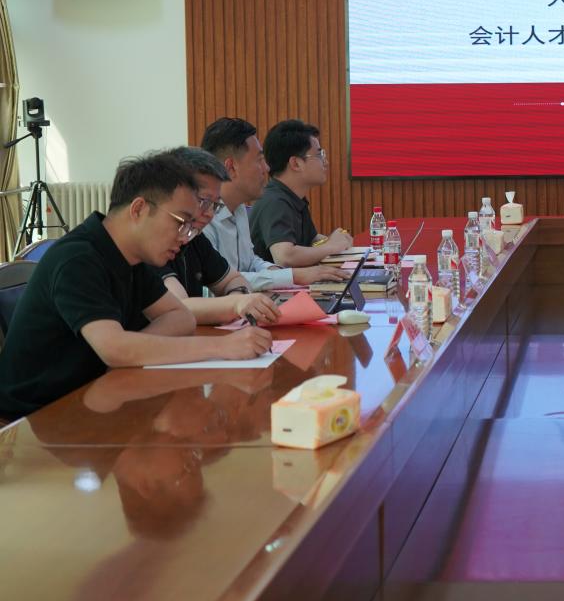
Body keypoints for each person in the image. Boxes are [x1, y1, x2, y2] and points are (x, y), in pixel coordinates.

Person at [0, 151, 273, 418]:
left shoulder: (131, 258)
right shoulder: (78, 259)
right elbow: (114, 348)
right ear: (139, 209)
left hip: (98, 395)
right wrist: (221, 347)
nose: (185, 237)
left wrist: (133, 348)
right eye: (180, 222)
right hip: (37, 418)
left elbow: (181, 317)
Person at [200, 118, 346, 289]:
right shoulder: (202, 218)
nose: (267, 168)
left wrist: (280, 273)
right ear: (231, 167)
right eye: (259, 160)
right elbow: (218, 282)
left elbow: (250, 261)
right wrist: (293, 275)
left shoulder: (238, 208)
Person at [159, 147, 283, 326]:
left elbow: (233, 279)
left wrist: (238, 297)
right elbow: (178, 307)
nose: (210, 213)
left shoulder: (194, 238)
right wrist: (236, 303)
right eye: (204, 201)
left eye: (215, 205)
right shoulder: (151, 244)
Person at [249, 120, 353, 267]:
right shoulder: (274, 201)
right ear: (296, 163)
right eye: (319, 155)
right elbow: (285, 257)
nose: (326, 162)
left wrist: (336, 241)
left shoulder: (293, 197)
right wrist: (331, 246)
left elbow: (312, 240)